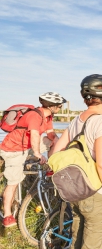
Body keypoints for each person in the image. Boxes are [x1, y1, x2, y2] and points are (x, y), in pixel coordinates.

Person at [51, 74, 102, 249]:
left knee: (77, 242)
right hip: (97, 195)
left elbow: (55, 152)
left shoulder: (77, 121)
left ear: (86, 99)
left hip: (76, 193)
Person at [0, 92, 66, 228]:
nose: (60, 107)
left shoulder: (48, 117)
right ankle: (7, 215)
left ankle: (51, 168)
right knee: (13, 182)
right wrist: (37, 154)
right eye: (59, 105)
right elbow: (35, 135)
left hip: (27, 145)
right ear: (51, 105)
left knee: (52, 141)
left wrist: (62, 153)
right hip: (13, 149)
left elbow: (51, 135)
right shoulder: (35, 116)